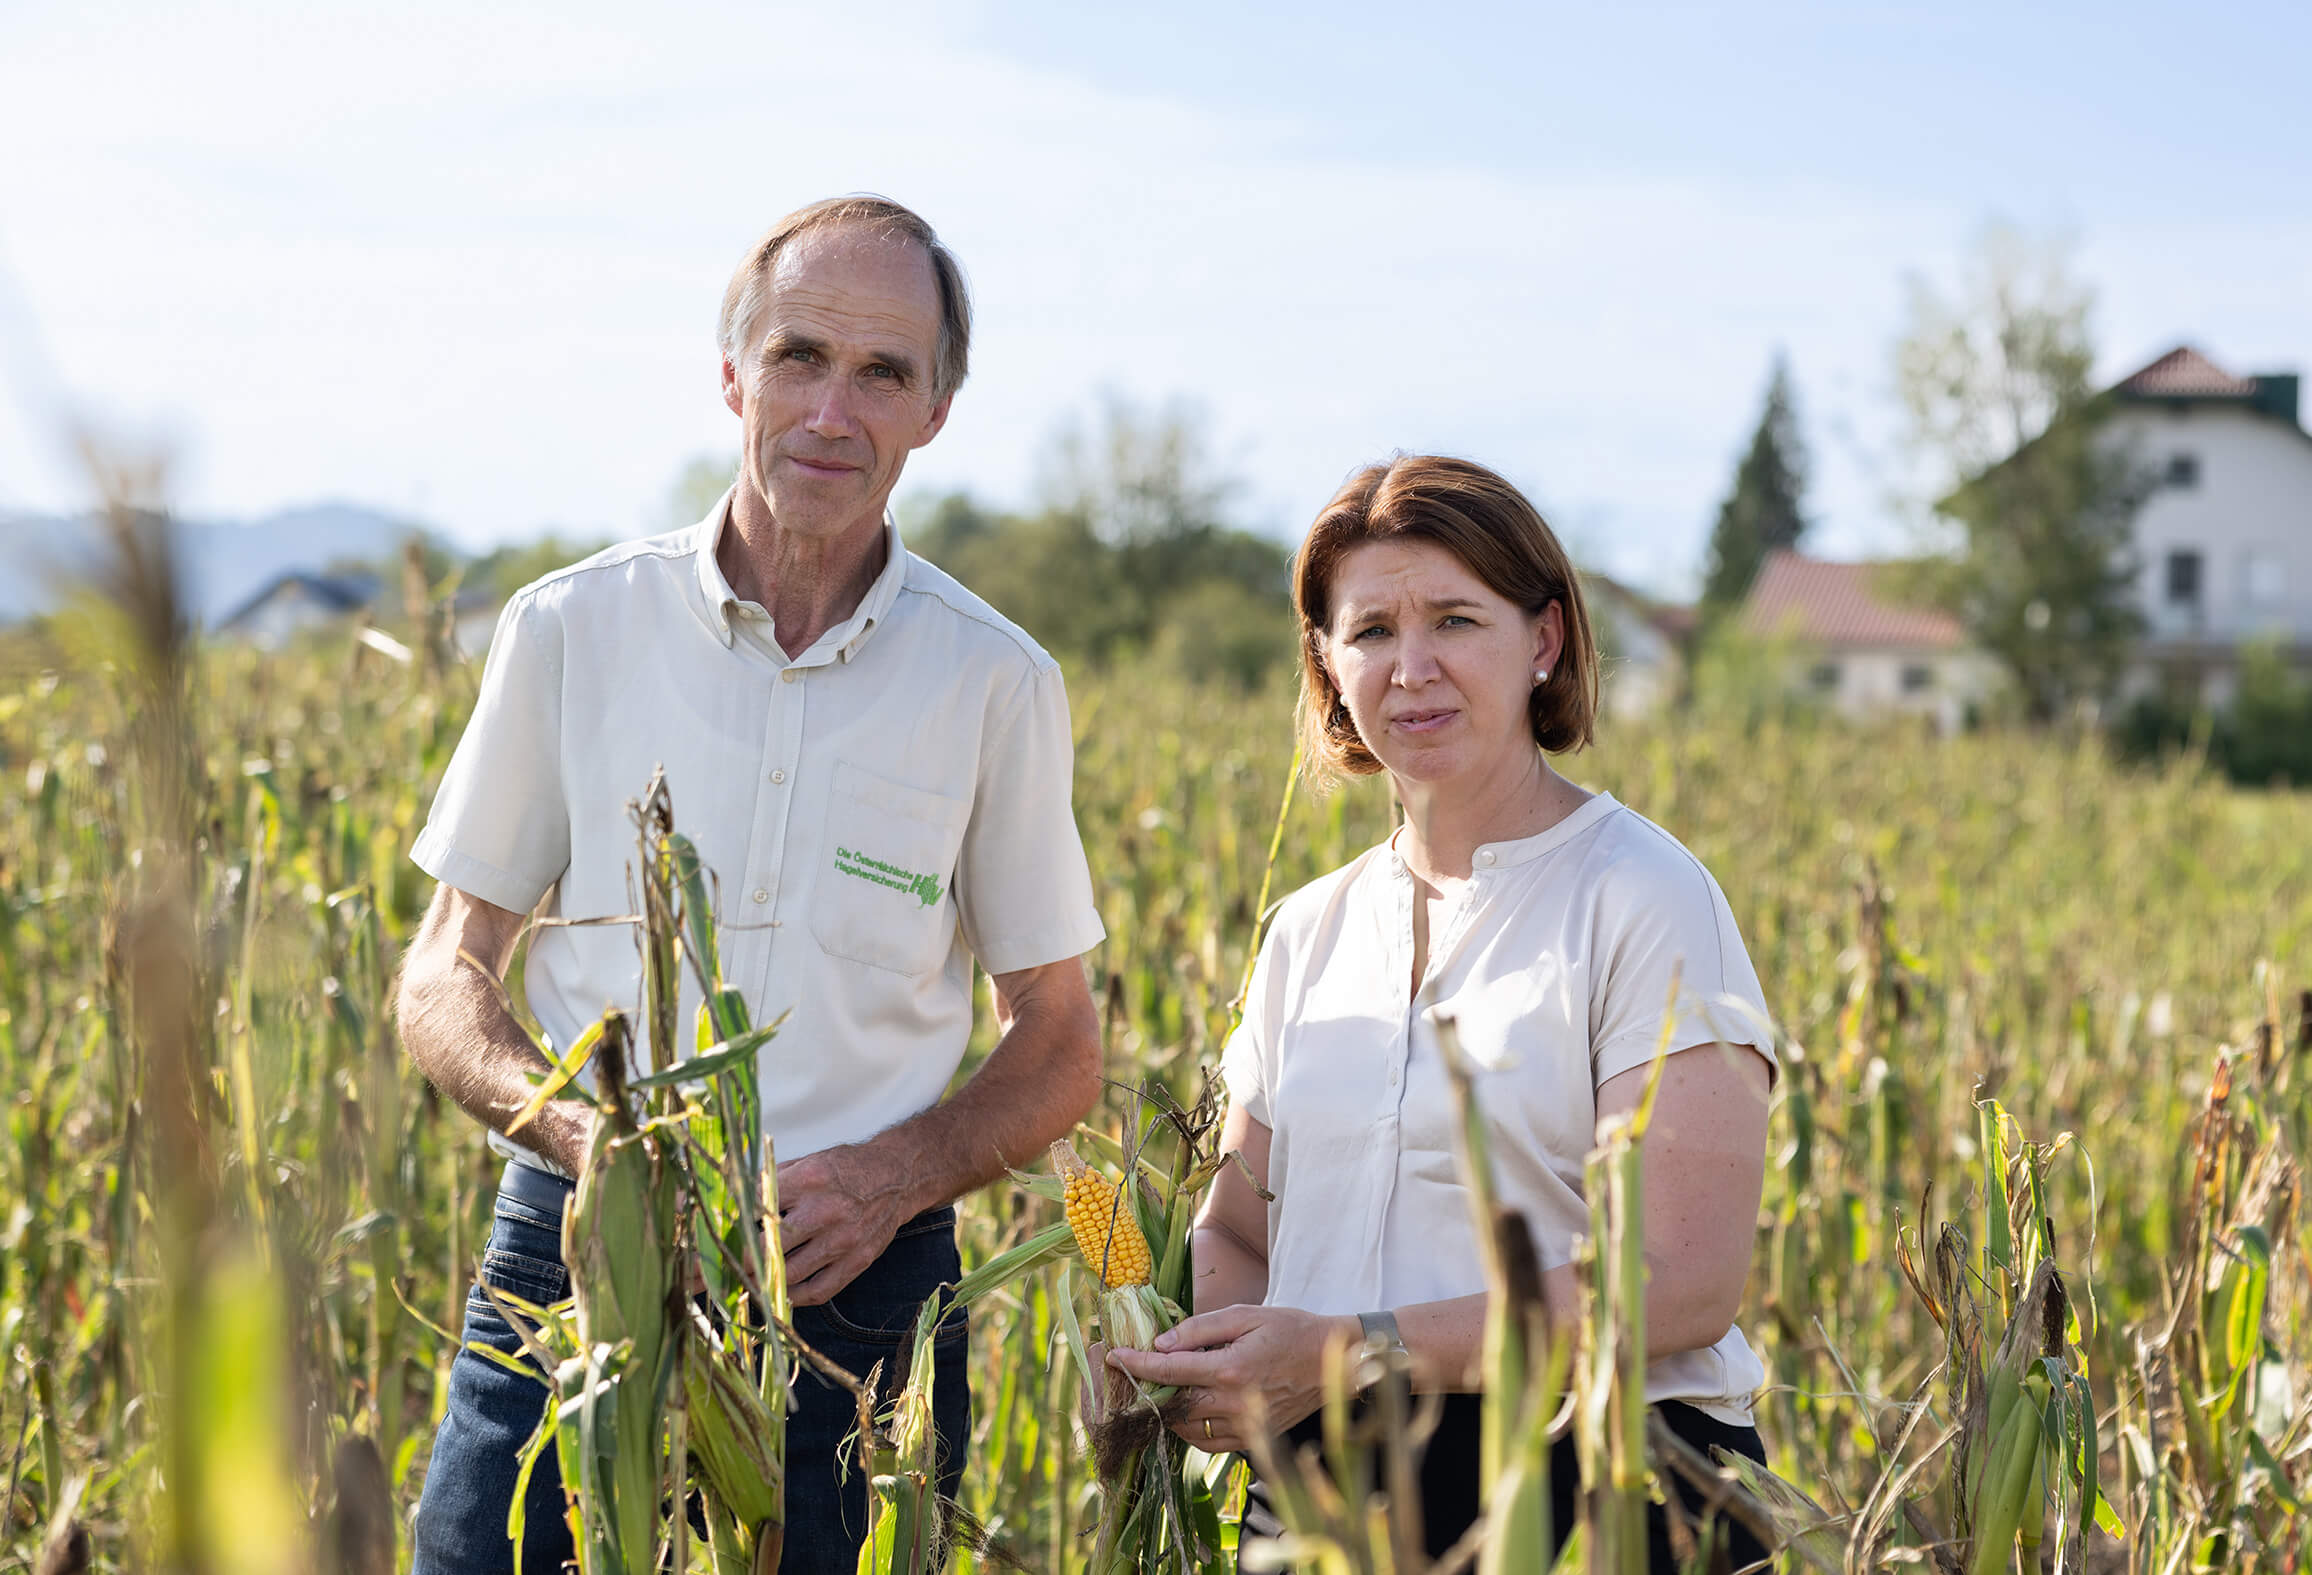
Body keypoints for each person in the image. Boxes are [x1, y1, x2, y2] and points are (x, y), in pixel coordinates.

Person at [398, 196, 1106, 1574]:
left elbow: (1062, 1042)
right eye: (798, 356)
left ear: (936, 411)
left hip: (859, 1291)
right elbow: (443, 969)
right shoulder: (567, 627)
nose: (832, 410)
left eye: (883, 373)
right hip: (575, 1252)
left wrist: (893, 1176)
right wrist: (587, 1146)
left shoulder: (996, 681)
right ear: (733, 373)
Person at [1110, 456, 1778, 1571]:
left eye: (1456, 620)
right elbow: (1236, 1229)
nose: (1411, 670)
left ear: (1544, 642)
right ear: (1326, 663)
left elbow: (1680, 1278)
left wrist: (1348, 1353)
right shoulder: (1305, 934)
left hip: (1607, 1482)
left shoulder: (1643, 896)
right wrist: (1222, 1363)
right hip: (1327, 1494)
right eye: (1369, 631)